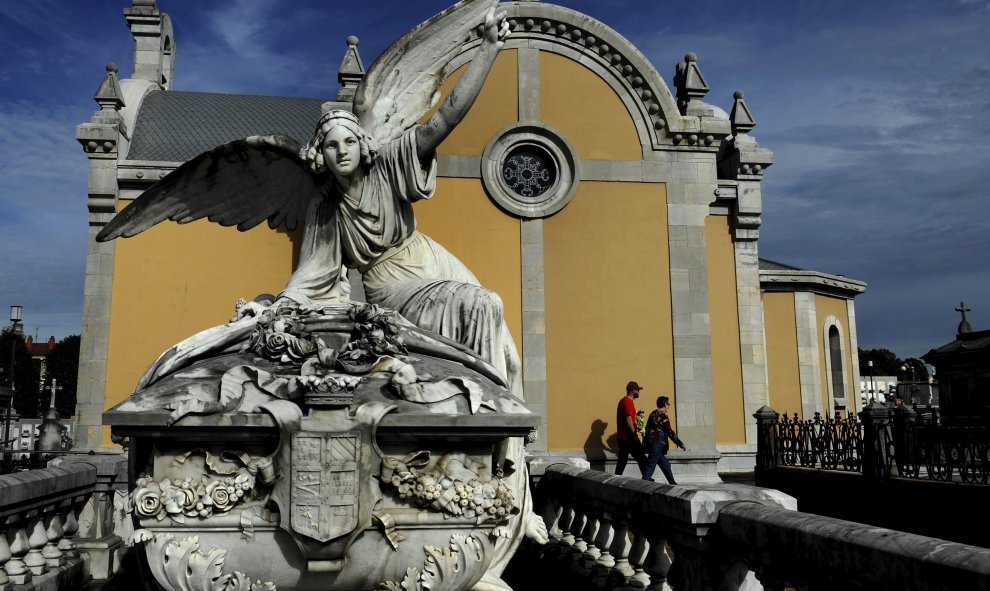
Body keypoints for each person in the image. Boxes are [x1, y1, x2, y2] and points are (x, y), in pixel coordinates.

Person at [643, 395, 687, 484]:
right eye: (668, 404)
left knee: (665, 465)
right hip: (657, 443)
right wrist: (681, 444)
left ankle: (673, 483)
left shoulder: (652, 413)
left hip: (650, 442)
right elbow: (670, 432)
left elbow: (647, 428)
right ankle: (642, 486)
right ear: (665, 404)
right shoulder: (663, 416)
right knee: (650, 466)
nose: (669, 406)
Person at [615, 381, 648, 476]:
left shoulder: (623, 401)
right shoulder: (628, 401)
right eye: (638, 390)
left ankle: (616, 478)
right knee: (642, 459)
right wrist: (634, 434)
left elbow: (630, 419)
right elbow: (628, 419)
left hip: (623, 437)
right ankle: (647, 479)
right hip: (628, 437)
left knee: (623, 460)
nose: (639, 392)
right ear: (633, 391)